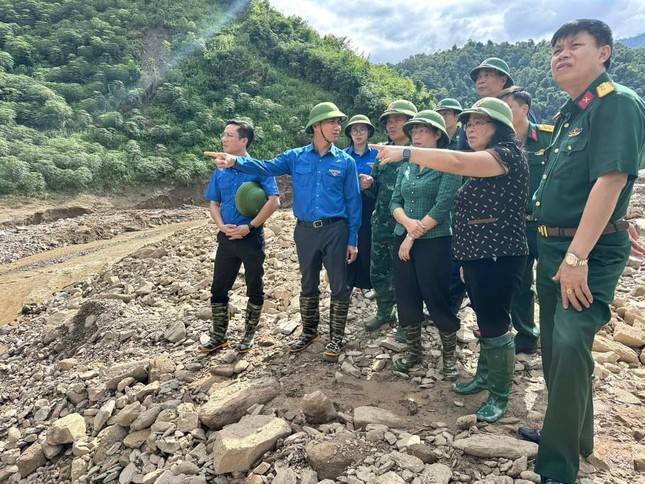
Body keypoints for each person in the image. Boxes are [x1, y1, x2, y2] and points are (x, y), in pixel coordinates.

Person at [516, 19, 645, 484]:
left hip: (583, 251)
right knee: (555, 347)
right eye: (556, 48)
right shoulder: (574, 112)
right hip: (552, 245)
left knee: (570, 344)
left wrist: (576, 258)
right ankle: (572, 435)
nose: (562, 54)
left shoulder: (617, 104)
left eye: (575, 46)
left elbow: (610, 181)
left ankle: (558, 466)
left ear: (605, 53)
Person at [370, 97, 529, 423]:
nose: (471, 129)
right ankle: (484, 377)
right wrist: (464, 257)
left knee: (497, 325)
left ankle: (499, 395)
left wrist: (405, 151)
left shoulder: (506, 155)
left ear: (499, 128)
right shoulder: (483, 158)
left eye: (479, 123)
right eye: (468, 124)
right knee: (485, 322)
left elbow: (454, 163)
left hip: (500, 254)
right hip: (478, 254)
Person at [206, 102, 362, 363]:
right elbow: (266, 167)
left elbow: (353, 202)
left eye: (339, 123)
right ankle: (310, 331)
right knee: (308, 282)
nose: (338, 128)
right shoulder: (296, 157)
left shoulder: (345, 161)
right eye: (331, 122)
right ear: (316, 126)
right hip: (305, 231)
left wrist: (353, 239)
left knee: (339, 285)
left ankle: (336, 336)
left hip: (336, 229)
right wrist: (236, 162)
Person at [389, 110, 461, 378]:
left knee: (436, 295)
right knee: (406, 295)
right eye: (414, 131)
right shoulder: (406, 165)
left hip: (435, 240)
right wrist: (406, 224)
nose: (416, 136)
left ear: (437, 135)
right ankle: (413, 352)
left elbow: (443, 205)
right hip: (403, 236)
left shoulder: (448, 163)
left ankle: (449, 356)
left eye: (422, 131)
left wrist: (411, 235)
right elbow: (394, 201)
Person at [199, 120, 280, 354]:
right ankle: (219, 335)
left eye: (229, 135)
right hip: (226, 238)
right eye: (223, 134)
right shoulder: (220, 169)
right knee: (218, 288)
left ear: (243, 140)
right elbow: (214, 202)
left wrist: (251, 227)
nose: (223, 139)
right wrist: (222, 226)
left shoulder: (258, 168)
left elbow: (274, 201)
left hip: (250, 237)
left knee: (254, 287)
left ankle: (249, 335)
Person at [498, 86, 554, 355]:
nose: (505, 115)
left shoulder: (548, 138)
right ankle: (527, 334)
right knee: (519, 282)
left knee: (551, 281)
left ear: (524, 109)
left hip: (546, 224)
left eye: (508, 108)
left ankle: (557, 336)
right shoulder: (499, 143)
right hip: (513, 224)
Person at [364, 100, 417, 335]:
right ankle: (385, 313)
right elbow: (376, 192)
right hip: (381, 224)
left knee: (405, 277)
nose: (391, 125)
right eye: (388, 121)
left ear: (410, 123)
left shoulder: (420, 153)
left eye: (397, 119)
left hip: (407, 228)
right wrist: (369, 185)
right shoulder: (383, 153)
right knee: (379, 271)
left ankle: (408, 321)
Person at [344, 115, 378, 299]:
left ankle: (366, 283)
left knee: (366, 242)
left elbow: (382, 180)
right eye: (354, 129)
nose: (358, 133)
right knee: (347, 241)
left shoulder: (377, 155)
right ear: (349, 133)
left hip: (368, 204)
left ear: (369, 133)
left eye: (362, 129)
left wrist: (372, 182)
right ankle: (348, 283)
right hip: (347, 205)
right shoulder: (342, 155)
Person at [457, 57, 513, 151]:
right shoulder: (472, 114)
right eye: (478, 77)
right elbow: (463, 151)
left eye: (487, 75)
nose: (481, 81)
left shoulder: (515, 109)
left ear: (503, 80)